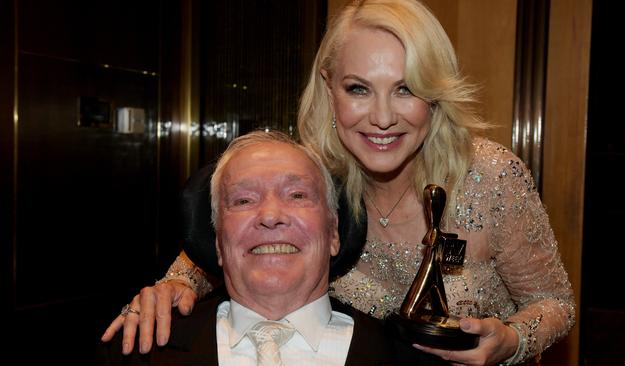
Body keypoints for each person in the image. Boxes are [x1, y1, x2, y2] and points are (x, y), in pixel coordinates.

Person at [102, 0, 576, 365]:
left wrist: (510, 341)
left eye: (406, 88)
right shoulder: (312, 179)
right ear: (329, 87)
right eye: (358, 89)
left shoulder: (489, 178)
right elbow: (227, 238)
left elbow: (555, 302)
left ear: (434, 95)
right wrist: (168, 288)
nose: (384, 118)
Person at [96, 131, 443, 365]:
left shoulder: (415, 360)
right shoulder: (135, 352)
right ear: (218, 241)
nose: (271, 215)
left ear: (334, 232)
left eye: (297, 195)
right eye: (244, 200)